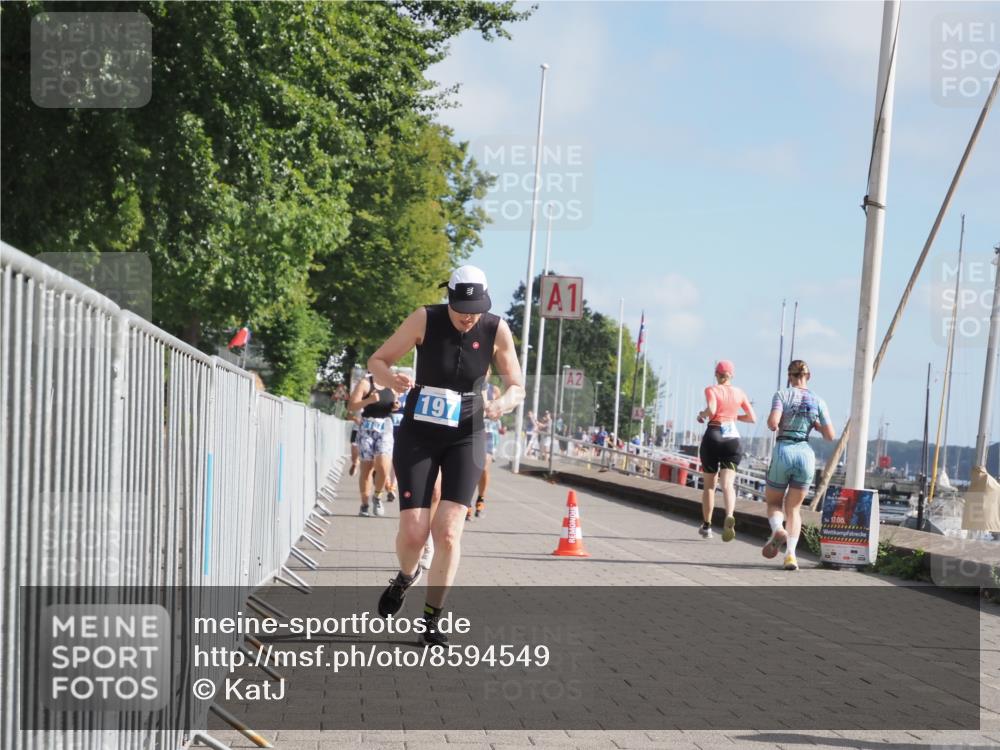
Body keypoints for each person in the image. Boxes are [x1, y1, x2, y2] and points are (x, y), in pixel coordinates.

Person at [368, 265, 524, 645]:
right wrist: (391, 380)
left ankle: (432, 619)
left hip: (466, 435)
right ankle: (405, 577)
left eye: (476, 310)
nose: (469, 317)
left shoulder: (496, 329)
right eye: (462, 310)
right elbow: (377, 361)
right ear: (449, 299)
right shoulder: (425, 318)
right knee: (414, 533)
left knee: (449, 532)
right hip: (419, 434)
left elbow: (517, 385)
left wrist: (502, 403)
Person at [762, 359, 836, 570]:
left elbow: (773, 423)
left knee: (774, 502)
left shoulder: (782, 395)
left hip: (784, 450)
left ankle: (778, 528)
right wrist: (816, 424)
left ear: (789, 376)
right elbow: (830, 435)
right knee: (794, 508)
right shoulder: (818, 400)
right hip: (805, 455)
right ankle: (791, 555)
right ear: (808, 376)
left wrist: (777, 421)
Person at [696, 360, 756, 541]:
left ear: (716, 374)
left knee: (709, 486)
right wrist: (734, 416)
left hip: (713, 434)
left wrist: (702, 414)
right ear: (732, 375)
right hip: (732, 439)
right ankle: (729, 515)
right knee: (728, 484)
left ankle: (707, 526)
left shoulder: (711, 389)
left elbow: (712, 409)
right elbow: (752, 418)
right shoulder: (740, 393)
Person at [347, 373, 397, 517]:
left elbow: (393, 404)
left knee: (383, 466)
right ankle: (364, 505)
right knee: (367, 468)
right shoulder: (365, 383)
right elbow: (351, 406)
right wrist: (368, 400)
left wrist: (395, 406)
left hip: (385, 428)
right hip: (367, 428)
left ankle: (377, 497)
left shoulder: (392, 384)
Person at [473, 380, 502, 520]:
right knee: (468, 468)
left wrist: (495, 411)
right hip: (470, 432)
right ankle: (465, 503)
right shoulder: (469, 384)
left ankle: (480, 500)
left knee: (484, 467)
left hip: (488, 434)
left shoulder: (494, 390)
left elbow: (500, 410)